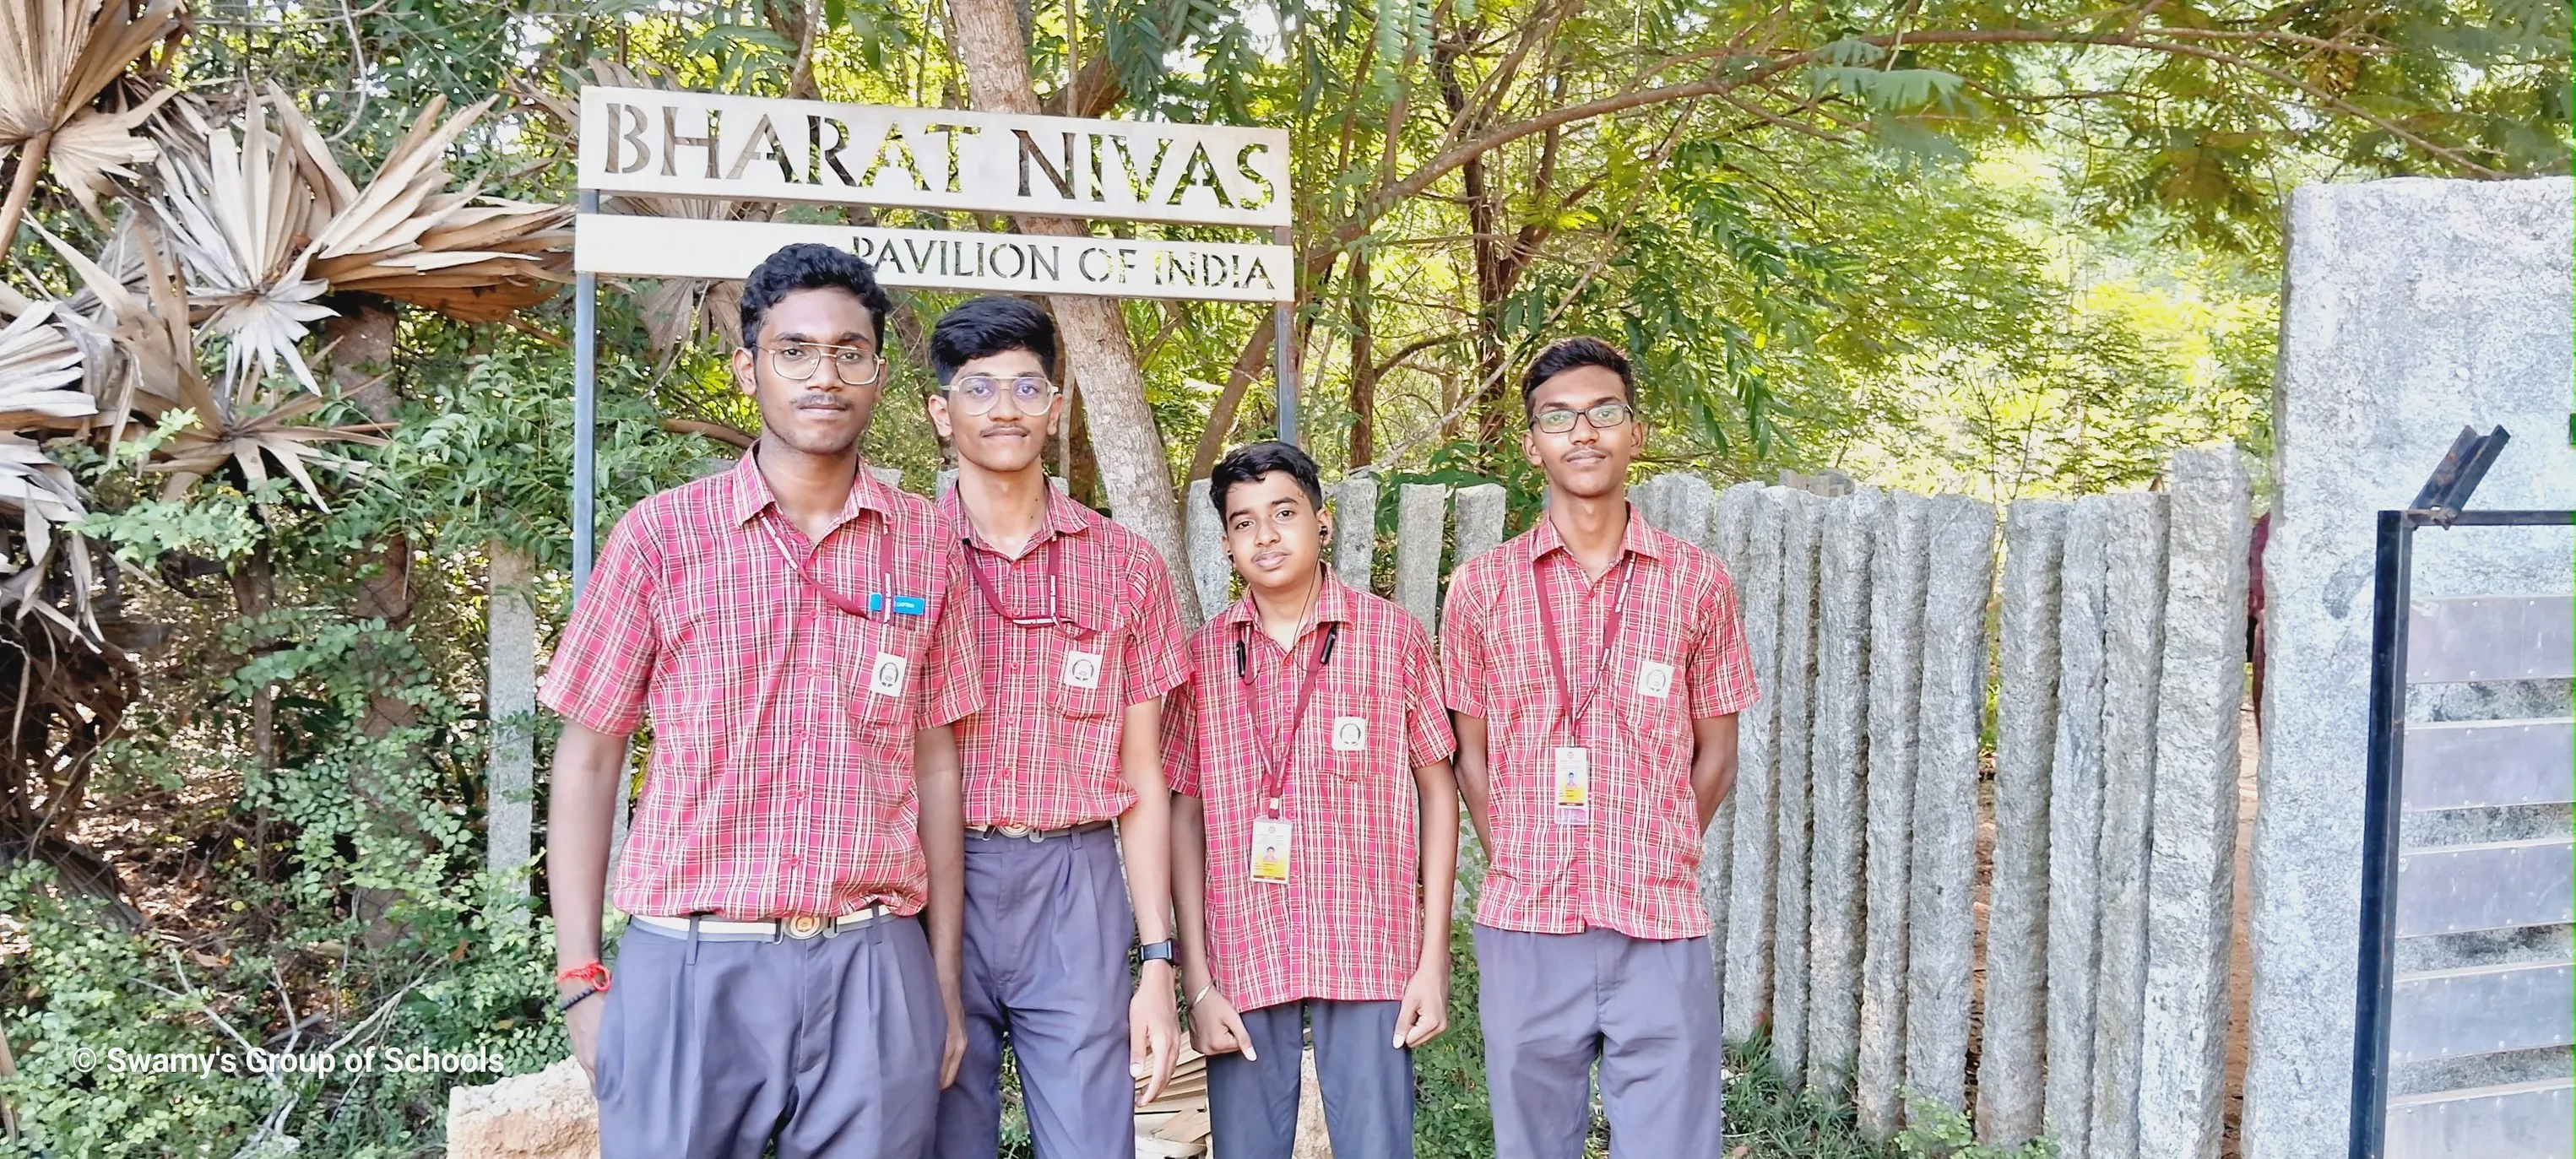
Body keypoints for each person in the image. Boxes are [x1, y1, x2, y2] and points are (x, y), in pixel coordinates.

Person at [541, 243, 978, 1159]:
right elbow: (588, 757)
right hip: (693, 964)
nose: (826, 374)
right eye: (795, 350)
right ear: (748, 368)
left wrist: (938, 980)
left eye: (850, 352)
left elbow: (937, 760)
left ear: (878, 372)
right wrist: (581, 976)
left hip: (872, 962)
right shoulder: (662, 536)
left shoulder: (928, 546)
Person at [1440, 336, 1756, 1158]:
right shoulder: (1482, 587)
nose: (1583, 433)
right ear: (1531, 442)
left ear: (1634, 432)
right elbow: (1468, 751)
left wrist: (1664, 842)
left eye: (1604, 412)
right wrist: (1511, 843)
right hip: (1527, 922)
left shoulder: (1698, 582)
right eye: (1559, 417)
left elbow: (1717, 750)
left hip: (1658, 919)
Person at [920, 295, 1190, 1158]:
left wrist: (1157, 960)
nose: (1005, 407)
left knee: (1091, 1140)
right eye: (979, 387)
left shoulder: (1125, 564)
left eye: (1027, 386)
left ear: (1058, 403)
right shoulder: (902, 555)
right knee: (938, 1128)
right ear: (941, 410)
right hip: (930, 879)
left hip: (1077, 884)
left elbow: (1145, 775)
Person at [1164, 441, 1462, 1159]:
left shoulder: (1390, 637)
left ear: (1321, 522)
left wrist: (1433, 958)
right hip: (1242, 949)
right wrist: (1197, 982)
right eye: (1242, 522)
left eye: (1283, 512)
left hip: (1366, 938)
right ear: (1227, 541)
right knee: (1246, 1146)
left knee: (1375, 1144)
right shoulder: (1202, 656)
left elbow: (1439, 787)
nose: (1265, 536)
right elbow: (1182, 813)